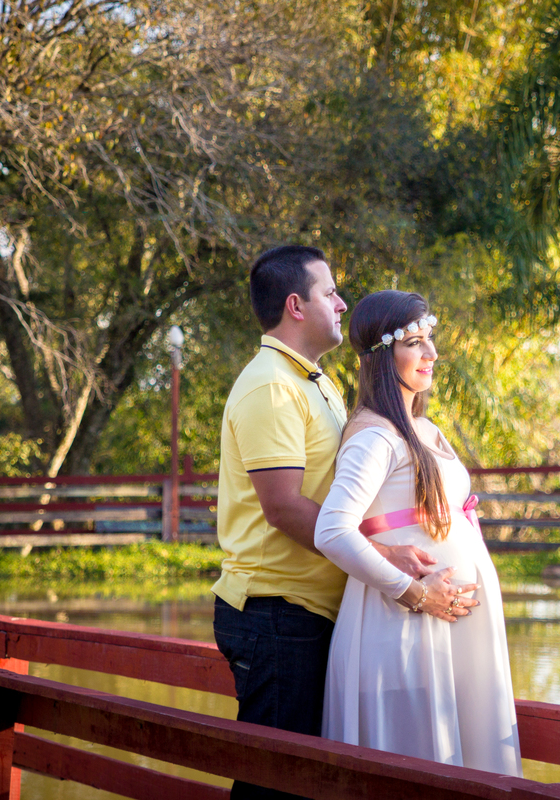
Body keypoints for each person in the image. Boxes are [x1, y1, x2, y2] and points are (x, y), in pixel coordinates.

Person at [213, 247, 442, 799]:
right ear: (296, 305)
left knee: (303, 781)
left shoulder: (314, 381)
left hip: (308, 612)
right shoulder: (272, 384)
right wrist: (384, 559)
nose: (341, 302)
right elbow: (285, 506)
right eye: (329, 292)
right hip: (277, 612)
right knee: (276, 784)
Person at [314, 290, 523, 777]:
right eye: (413, 342)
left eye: (429, 339)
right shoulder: (374, 435)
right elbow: (332, 530)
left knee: (467, 763)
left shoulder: (425, 428)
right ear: (383, 356)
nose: (430, 354)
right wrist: (413, 593)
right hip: (404, 630)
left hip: (453, 631)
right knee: (417, 768)